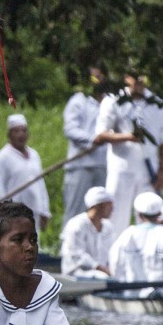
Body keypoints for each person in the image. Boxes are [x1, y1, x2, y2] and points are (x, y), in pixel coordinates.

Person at [94, 73, 163, 236]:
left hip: (149, 171)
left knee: (149, 216)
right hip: (121, 170)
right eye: (134, 77)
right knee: (116, 218)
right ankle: (111, 257)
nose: (138, 81)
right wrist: (127, 137)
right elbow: (101, 134)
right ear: (126, 77)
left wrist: (162, 170)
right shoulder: (114, 100)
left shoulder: (157, 103)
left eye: (141, 76)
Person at [61, 70, 108, 221]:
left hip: (103, 164)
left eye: (101, 76)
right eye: (95, 77)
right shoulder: (78, 101)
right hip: (81, 164)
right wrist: (93, 139)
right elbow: (71, 129)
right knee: (76, 212)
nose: (98, 80)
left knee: (101, 212)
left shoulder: (110, 102)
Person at [0, 114, 51, 230]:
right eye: (16, 131)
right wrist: (3, 212)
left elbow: (40, 184)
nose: (21, 134)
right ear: (9, 134)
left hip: (34, 210)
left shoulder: (34, 155)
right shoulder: (3, 157)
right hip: (13, 212)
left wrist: (44, 210)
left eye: (24, 131)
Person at [59, 186, 115, 279]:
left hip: (103, 272)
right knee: (103, 277)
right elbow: (76, 254)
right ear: (97, 205)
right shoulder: (77, 224)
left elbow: (111, 253)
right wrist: (100, 268)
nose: (112, 208)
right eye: (108, 204)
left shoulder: (108, 226)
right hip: (76, 273)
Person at [108, 192, 163, 282]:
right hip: (161, 291)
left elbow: (116, 261)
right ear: (159, 214)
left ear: (139, 215)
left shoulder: (129, 234)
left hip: (132, 291)